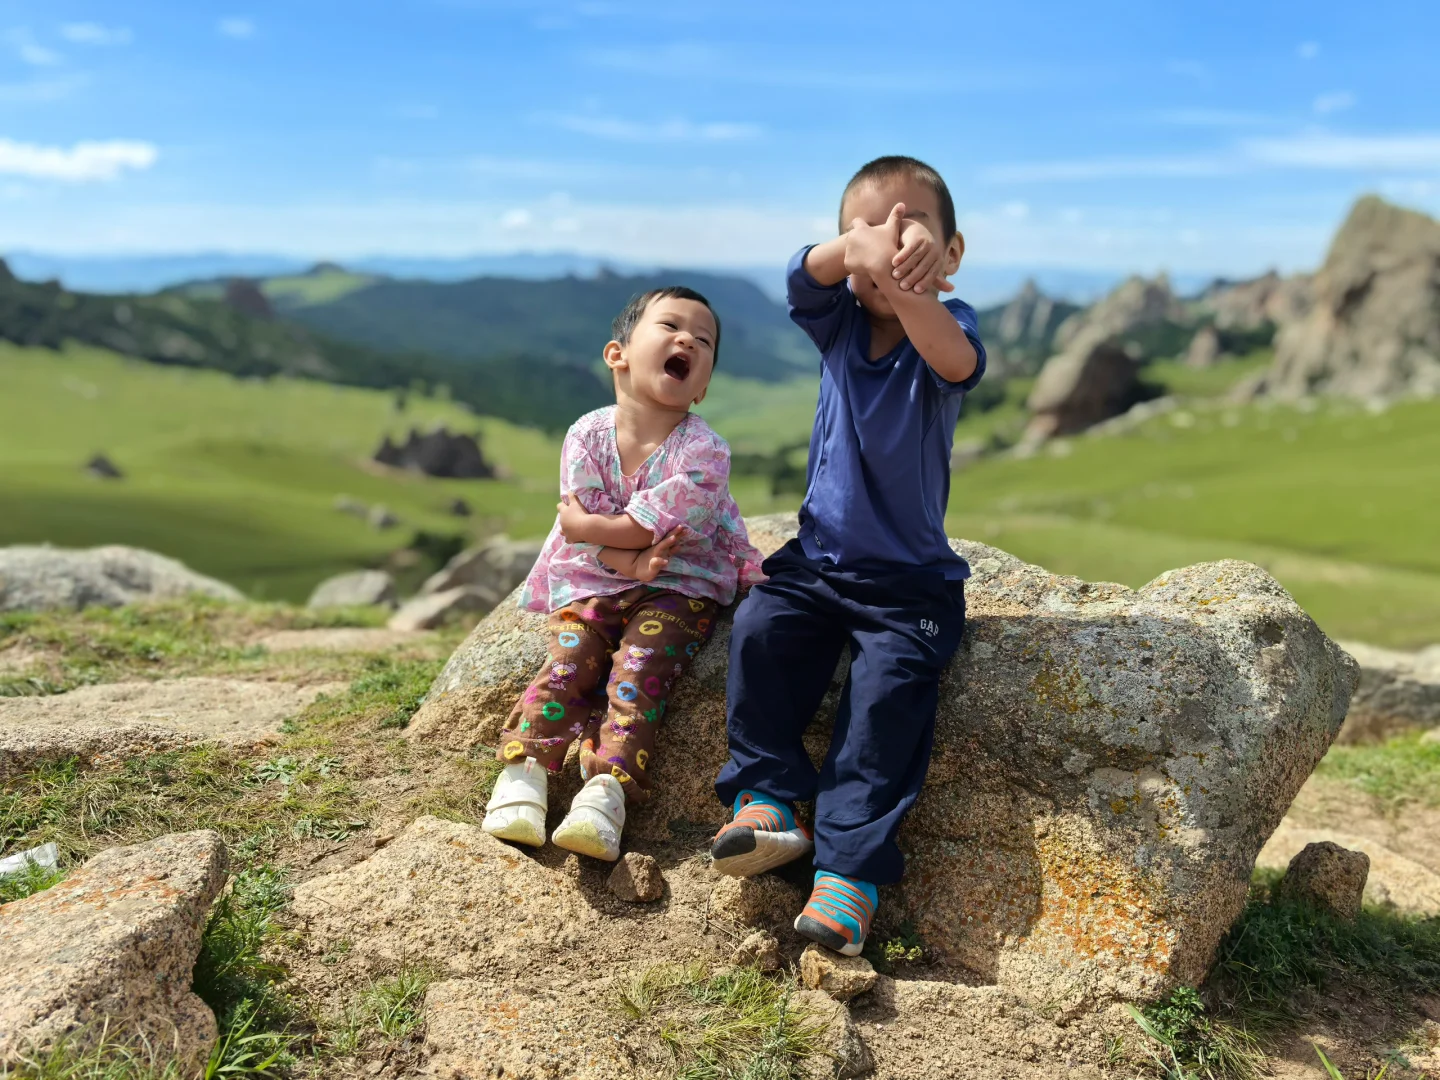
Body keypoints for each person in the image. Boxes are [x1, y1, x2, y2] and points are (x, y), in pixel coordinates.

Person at [710, 156, 986, 955]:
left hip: (909, 586)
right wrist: (853, 252)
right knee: (761, 627)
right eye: (866, 228)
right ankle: (766, 798)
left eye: (912, 230)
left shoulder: (949, 323)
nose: (887, 243)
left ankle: (850, 873)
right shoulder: (836, 323)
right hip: (818, 559)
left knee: (886, 697)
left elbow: (955, 361)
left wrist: (905, 280)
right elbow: (802, 277)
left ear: (952, 252)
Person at [483, 286, 764, 862]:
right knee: (568, 658)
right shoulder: (586, 433)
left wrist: (603, 534)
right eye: (670, 326)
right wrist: (619, 553)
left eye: (703, 340)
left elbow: (629, 524)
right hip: (596, 579)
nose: (687, 339)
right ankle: (525, 770)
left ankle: (605, 790)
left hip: (679, 584)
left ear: (703, 385)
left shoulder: (705, 449)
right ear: (619, 354)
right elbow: (594, 528)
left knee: (639, 674)